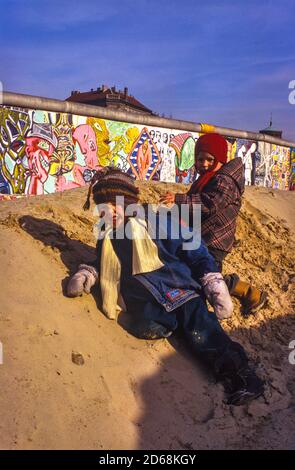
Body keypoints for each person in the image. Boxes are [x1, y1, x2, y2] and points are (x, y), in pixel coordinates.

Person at [66, 167, 264, 406]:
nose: (107, 212)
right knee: (144, 325)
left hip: (180, 291)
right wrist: (89, 272)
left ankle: (242, 376)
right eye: (101, 207)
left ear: (127, 202)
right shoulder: (108, 235)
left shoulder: (156, 220)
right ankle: (167, 326)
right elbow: (103, 261)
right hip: (149, 302)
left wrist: (212, 280)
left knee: (202, 332)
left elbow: (193, 248)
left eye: (113, 204)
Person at [160, 133, 267, 316]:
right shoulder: (208, 178)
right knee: (202, 273)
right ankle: (247, 292)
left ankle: (251, 293)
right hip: (203, 236)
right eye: (200, 159)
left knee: (207, 277)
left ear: (220, 158)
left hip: (215, 239)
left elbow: (210, 203)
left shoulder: (224, 180)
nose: (204, 164)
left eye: (210, 159)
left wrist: (179, 199)